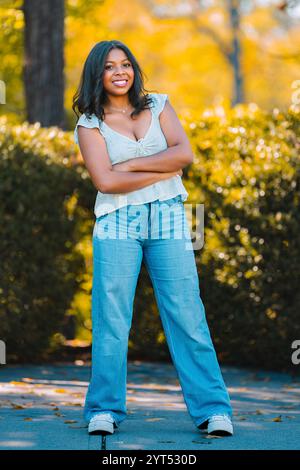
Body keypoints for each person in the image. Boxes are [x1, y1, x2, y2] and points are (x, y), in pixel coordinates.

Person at [72, 40, 233, 437]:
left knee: (187, 312)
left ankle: (214, 410)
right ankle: (104, 409)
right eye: (110, 67)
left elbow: (184, 154)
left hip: (169, 217)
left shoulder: (158, 104)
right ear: (98, 74)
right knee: (111, 317)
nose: (120, 72)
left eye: (125, 64)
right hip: (116, 222)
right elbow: (105, 180)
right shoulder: (89, 125)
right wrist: (163, 170)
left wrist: (134, 164)